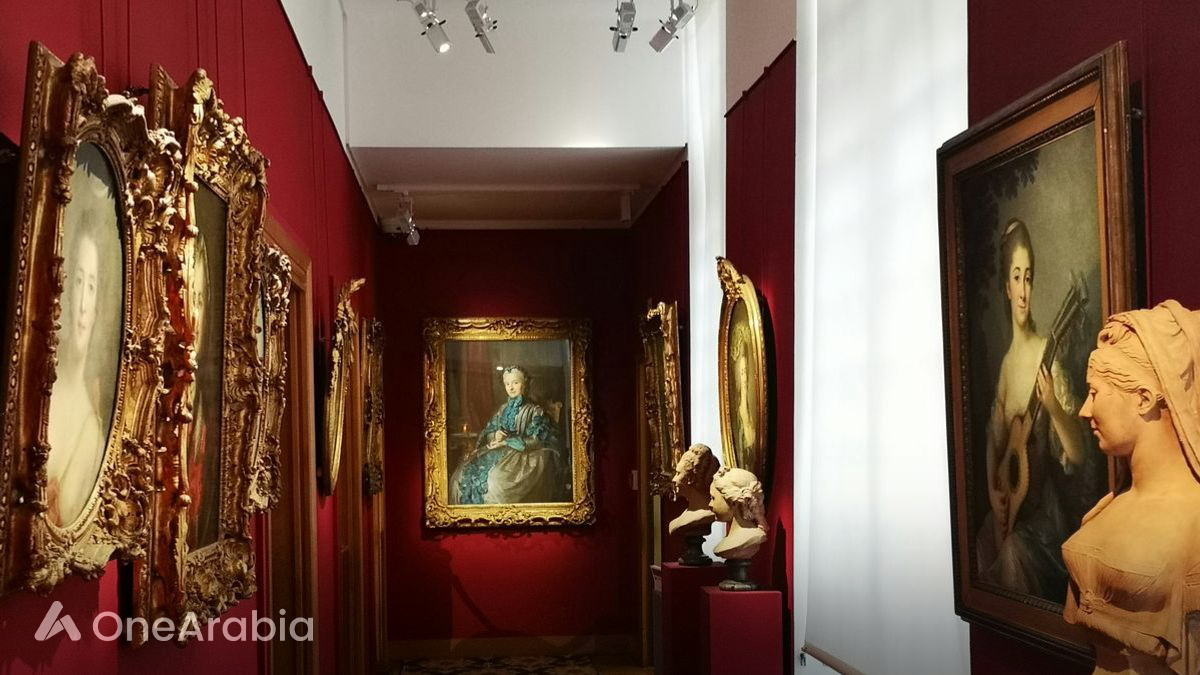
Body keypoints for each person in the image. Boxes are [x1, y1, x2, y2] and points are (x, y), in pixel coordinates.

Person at [1063, 301, 1200, 675]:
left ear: (1143, 398)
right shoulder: (1110, 506)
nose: (1084, 411)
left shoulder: (1193, 520)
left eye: (1095, 393)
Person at [976, 218, 1087, 601]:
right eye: (1016, 278)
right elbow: (993, 442)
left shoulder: (1047, 359)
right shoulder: (1006, 366)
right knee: (984, 542)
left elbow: (1078, 454)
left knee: (1012, 552)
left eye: (1029, 278)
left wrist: (1053, 405)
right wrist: (994, 492)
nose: (1024, 291)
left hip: (1044, 521)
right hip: (1013, 510)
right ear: (1006, 288)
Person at [45, 146, 120, 527]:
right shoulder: (41, 384)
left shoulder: (91, 433)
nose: (82, 303)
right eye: (76, 281)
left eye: (91, 286)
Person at [450, 365, 566, 504]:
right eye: (507, 384)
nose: (511, 388)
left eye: (515, 383)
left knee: (495, 483)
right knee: (461, 474)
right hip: (499, 451)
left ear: (525, 384)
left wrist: (507, 442)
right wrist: (496, 435)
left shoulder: (535, 411)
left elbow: (538, 440)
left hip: (525, 455)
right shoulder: (503, 409)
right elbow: (489, 431)